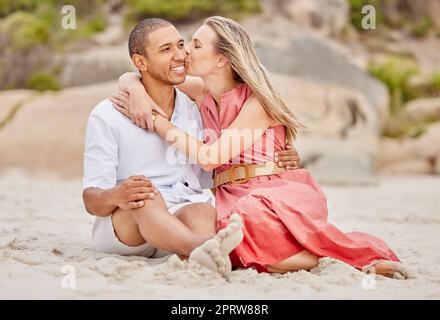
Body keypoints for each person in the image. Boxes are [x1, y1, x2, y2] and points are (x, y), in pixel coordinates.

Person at [113, 16, 410, 279]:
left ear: (221, 60)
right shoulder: (204, 93)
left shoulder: (256, 102)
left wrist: (155, 120)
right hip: (230, 196)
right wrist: (133, 85)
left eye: (197, 45)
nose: (186, 51)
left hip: (271, 193)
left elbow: (210, 158)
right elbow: (142, 74)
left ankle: (344, 259)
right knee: (225, 240)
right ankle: (321, 258)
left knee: (245, 216)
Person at [83, 18, 299, 278]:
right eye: (166, 49)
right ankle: (206, 249)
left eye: (182, 45)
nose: (181, 55)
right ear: (141, 62)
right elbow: (91, 200)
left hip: (179, 215)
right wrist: (118, 195)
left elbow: (222, 156)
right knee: (146, 196)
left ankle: (201, 251)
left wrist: (278, 158)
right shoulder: (109, 114)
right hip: (127, 228)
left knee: (203, 209)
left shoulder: (196, 108)